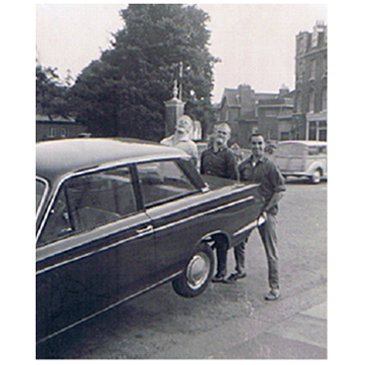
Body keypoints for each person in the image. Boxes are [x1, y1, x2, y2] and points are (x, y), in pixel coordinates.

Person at [226, 133, 286, 301]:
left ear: (264, 145)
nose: (257, 147)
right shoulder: (243, 165)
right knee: (238, 241)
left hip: (266, 213)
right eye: (254, 143)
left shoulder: (269, 166)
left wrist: (267, 208)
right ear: (250, 145)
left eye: (260, 143)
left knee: (271, 249)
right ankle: (240, 269)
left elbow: (280, 190)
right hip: (248, 211)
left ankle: (274, 287)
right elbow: (237, 187)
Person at [200, 122, 238, 283]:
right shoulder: (206, 154)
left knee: (221, 237)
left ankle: (221, 271)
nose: (221, 136)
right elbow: (201, 175)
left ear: (228, 137)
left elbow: (234, 180)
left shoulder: (229, 155)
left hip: (221, 199)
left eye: (224, 134)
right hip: (207, 198)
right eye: (219, 132)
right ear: (213, 133)